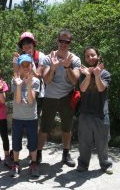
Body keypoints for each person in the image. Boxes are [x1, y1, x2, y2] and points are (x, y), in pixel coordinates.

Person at [37, 29, 81, 167]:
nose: (63, 44)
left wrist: (67, 67)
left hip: (67, 97)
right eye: (61, 41)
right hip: (50, 96)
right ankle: (38, 153)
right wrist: (54, 67)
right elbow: (47, 80)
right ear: (57, 41)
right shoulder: (48, 58)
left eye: (66, 42)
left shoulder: (74, 59)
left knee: (67, 127)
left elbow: (74, 81)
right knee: (44, 127)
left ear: (70, 43)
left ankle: (66, 154)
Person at [77, 47, 113, 174]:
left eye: (92, 55)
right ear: (85, 58)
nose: (90, 58)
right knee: (84, 141)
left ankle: (105, 164)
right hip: (85, 113)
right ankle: (83, 164)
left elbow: (101, 88)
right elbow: (82, 89)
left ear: (98, 56)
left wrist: (97, 75)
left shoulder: (105, 73)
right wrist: (87, 76)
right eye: (87, 56)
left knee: (102, 141)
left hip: (101, 113)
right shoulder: (83, 73)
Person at [10, 54, 40, 178]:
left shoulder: (36, 81)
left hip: (31, 118)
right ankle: (16, 164)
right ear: (20, 67)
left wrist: (28, 85)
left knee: (33, 143)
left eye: (29, 65)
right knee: (16, 142)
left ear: (32, 65)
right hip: (17, 118)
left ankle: (33, 163)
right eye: (24, 65)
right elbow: (17, 101)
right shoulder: (14, 80)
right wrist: (18, 85)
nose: (26, 67)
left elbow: (31, 100)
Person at [13, 31, 45, 118]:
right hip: (22, 90)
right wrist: (16, 62)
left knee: (35, 116)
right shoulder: (19, 58)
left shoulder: (40, 56)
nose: (27, 46)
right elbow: (16, 75)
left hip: (36, 91)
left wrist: (31, 61)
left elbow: (39, 75)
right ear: (22, 47)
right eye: (24, 44)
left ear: (34, 44)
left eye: (29, 43)